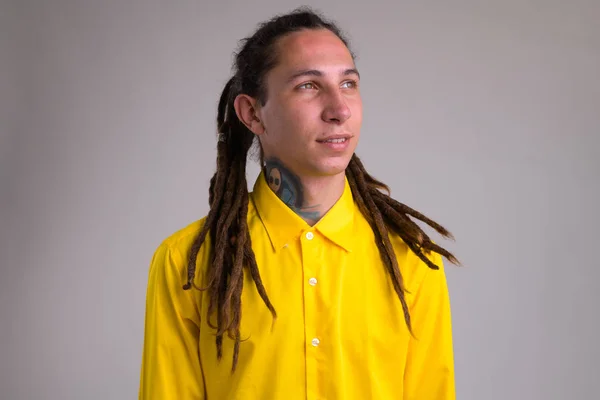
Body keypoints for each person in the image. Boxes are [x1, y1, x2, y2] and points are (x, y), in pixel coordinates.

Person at [139, 7, 459, 400]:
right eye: (309, 85)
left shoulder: (412, 260)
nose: (339, 109)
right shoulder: (186, 263)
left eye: (348, 84)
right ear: (253, 113)